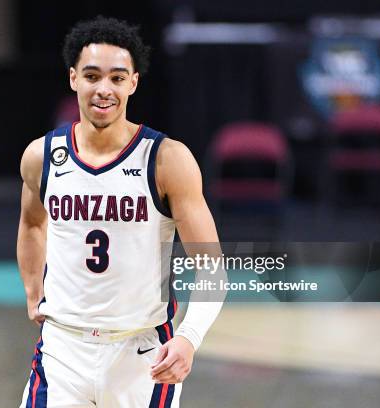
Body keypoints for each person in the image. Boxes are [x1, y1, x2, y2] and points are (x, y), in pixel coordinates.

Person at [17, 16, 223, 407]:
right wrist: (33, 292)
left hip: (142, 353)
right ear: (74, 78)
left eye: (116, 77)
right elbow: (31, 224)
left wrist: (189, 337)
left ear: (133, 82)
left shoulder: (166, 159)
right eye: (92, 76)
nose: (103, 89)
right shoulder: (41, 156)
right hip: (63, 349)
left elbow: (212, 265)